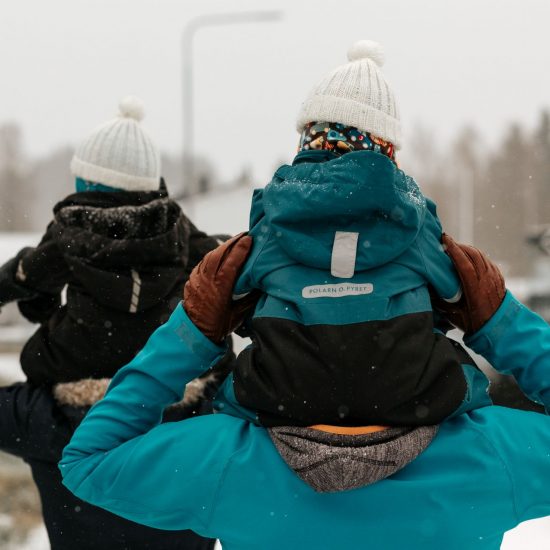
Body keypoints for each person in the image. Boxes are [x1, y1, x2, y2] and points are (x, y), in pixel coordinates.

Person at [60, 232, 550, 549]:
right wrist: (500, 323)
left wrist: (191, 333)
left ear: (268, 314)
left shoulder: (227, 463)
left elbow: (88, 461)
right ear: (426, 309)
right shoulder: (489, 456)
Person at [210, 40, 489, 428]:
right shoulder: (414, 221)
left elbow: (235, 300)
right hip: (409, 396)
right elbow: (457, 297)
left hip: (284, 399)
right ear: (386, 147)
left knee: (223, 394)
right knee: (469, 385)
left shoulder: (272, 221)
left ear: (307, 140)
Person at [0, 97, 225, 549]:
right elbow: (226, 265)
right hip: (175, 385)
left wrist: (36, 303)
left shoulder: (67, 233)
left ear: (85, 180)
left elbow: (22, 277)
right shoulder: (181, 235)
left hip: (73, 390)